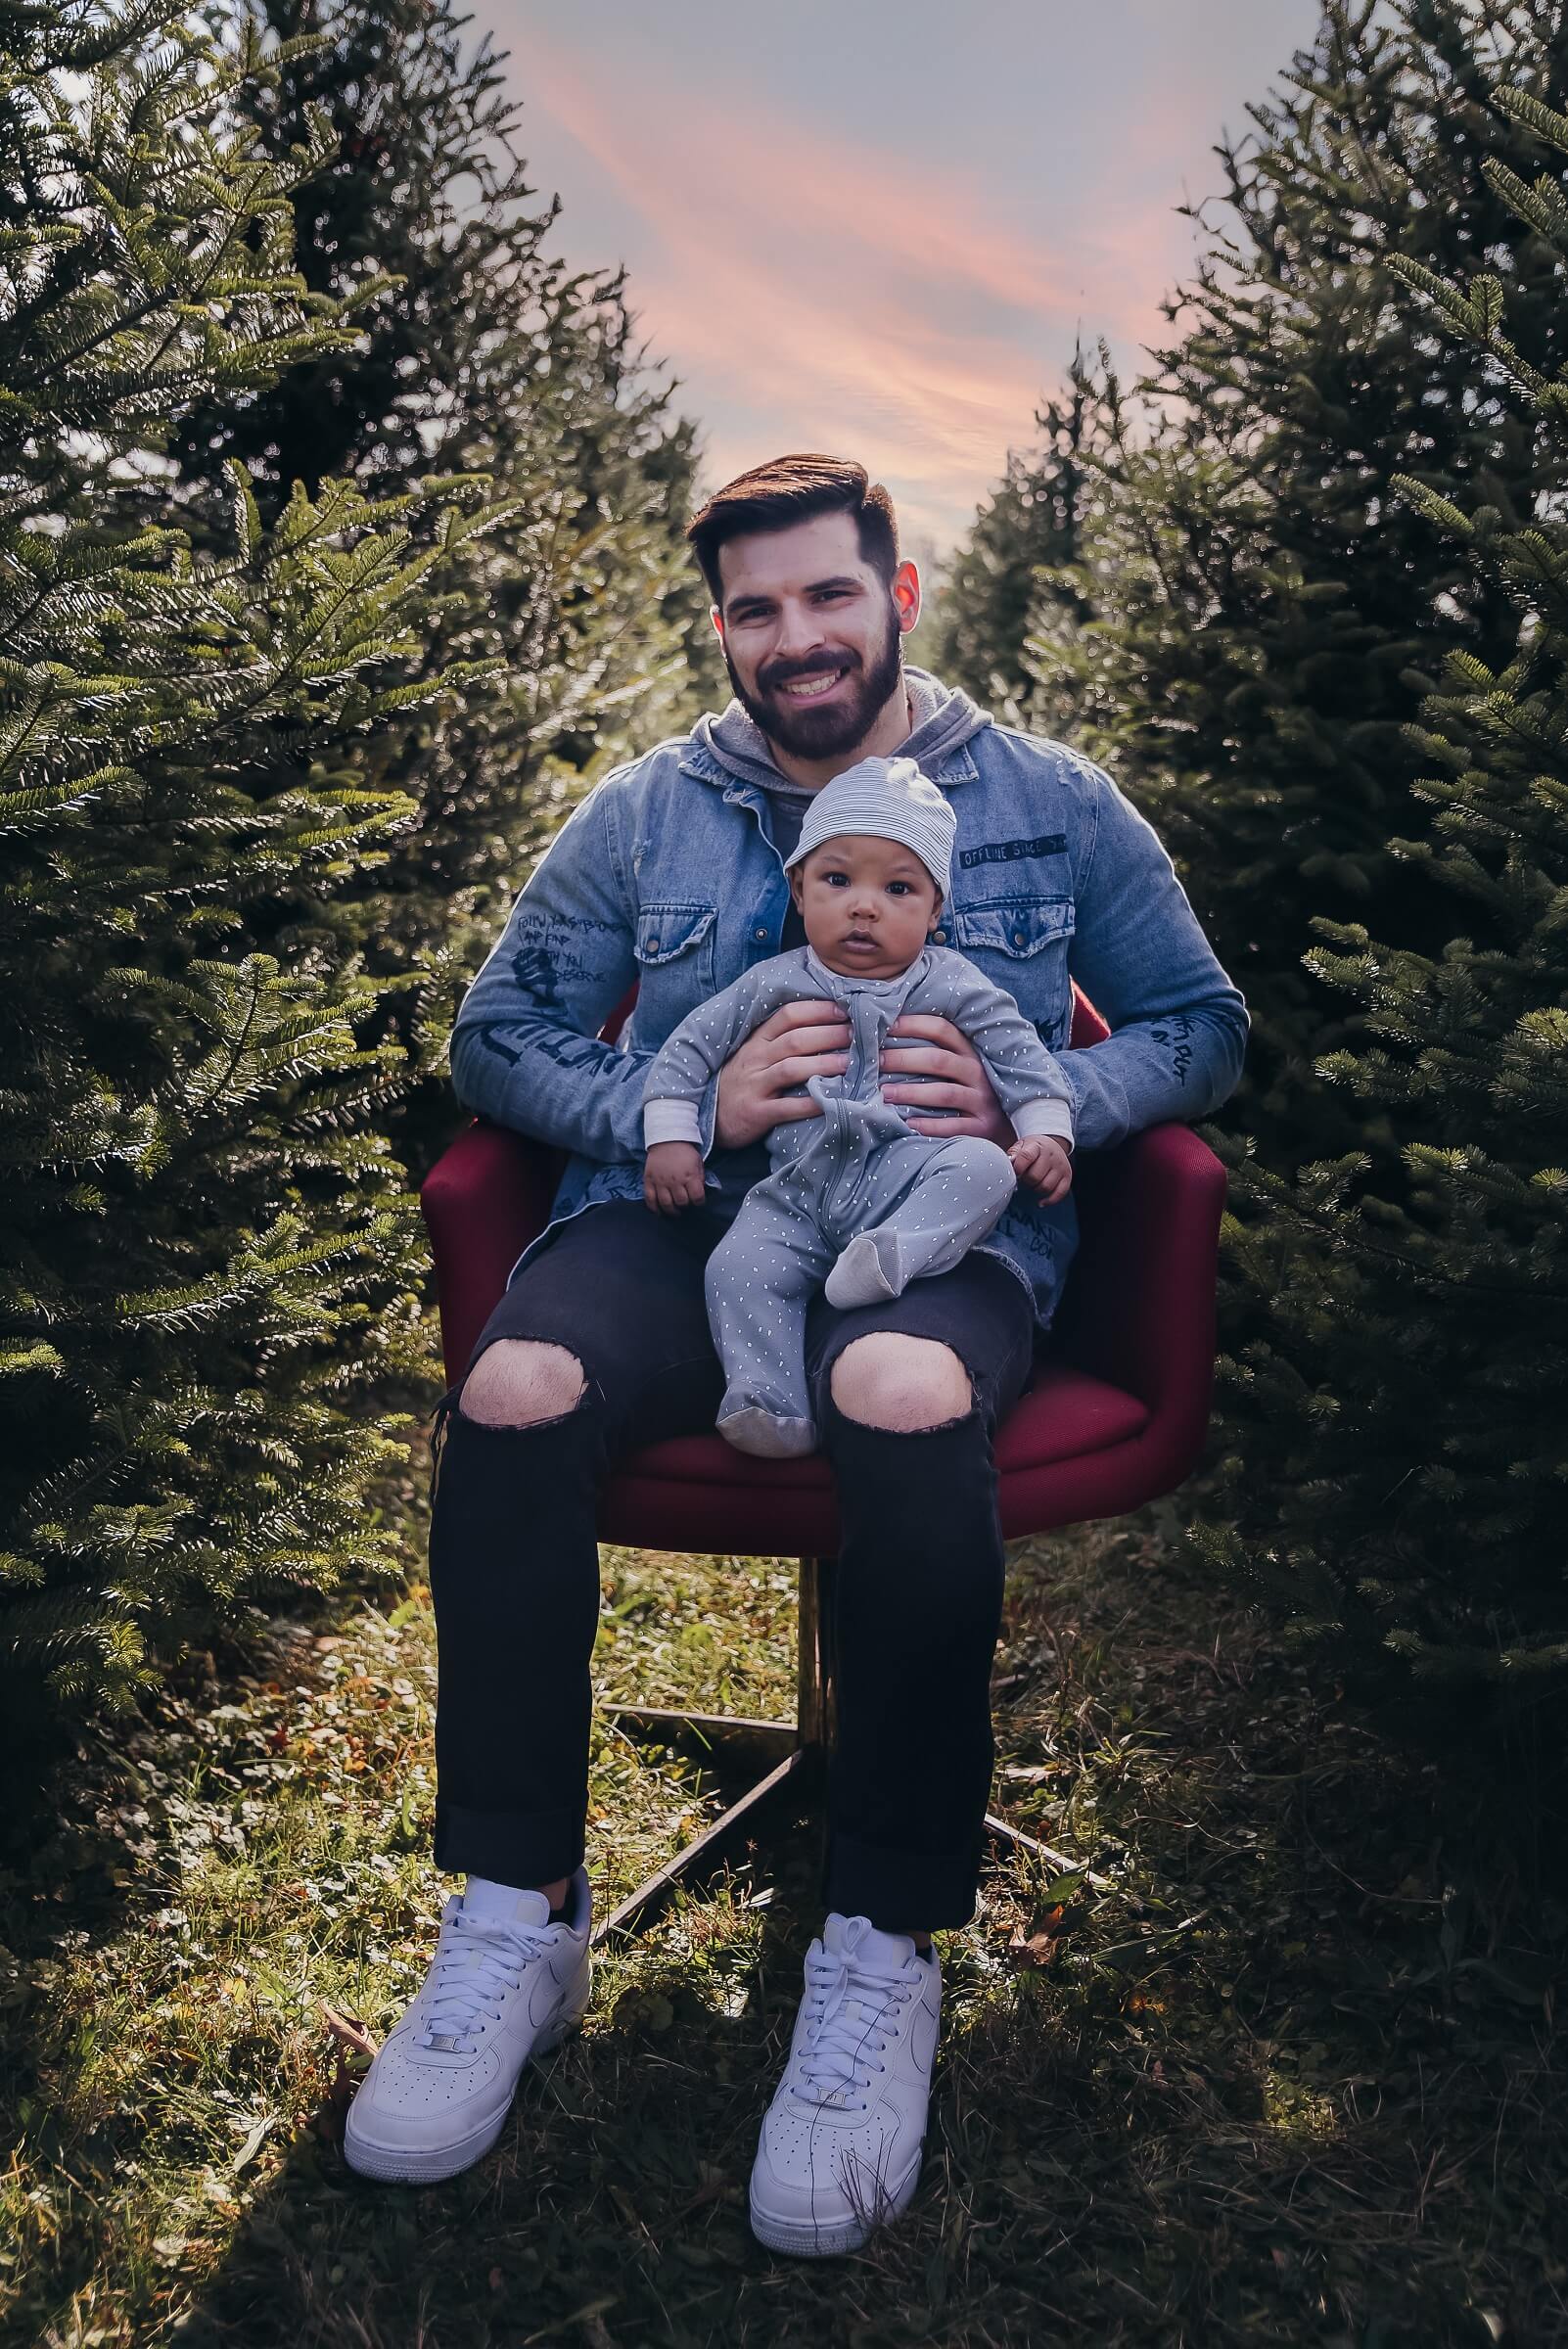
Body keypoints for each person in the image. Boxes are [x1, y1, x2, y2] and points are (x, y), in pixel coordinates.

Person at [344, 453, 1249, 2259]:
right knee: (515, 1388)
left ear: (895, 596)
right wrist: (658, 1098)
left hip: (940, 1230)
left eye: (826, 596)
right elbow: (493, 1033)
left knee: (896, 1386)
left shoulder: (1051, 800)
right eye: (754, 609)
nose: (794, 639)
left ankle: (877, 1951)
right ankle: (514, 1919)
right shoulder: (644, 810)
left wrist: (1034, 1094)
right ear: (723, 631)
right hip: (680, 1232)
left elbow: (1201, 1023)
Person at [641, 752, 1075, 1457]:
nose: (864, 906)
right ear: (800, 888)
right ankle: (768, 1401)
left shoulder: (954, 984)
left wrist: (1047, 1136)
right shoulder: (773, 983)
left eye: (899, 888)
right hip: (794, 1194)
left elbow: (1024, 1061)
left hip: (903, 1180)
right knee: (735, 1269)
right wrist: (673, 1140)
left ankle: (892, 1256)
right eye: (837, 879)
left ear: (936, 910)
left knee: (984, 1170)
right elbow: (686, 1052)